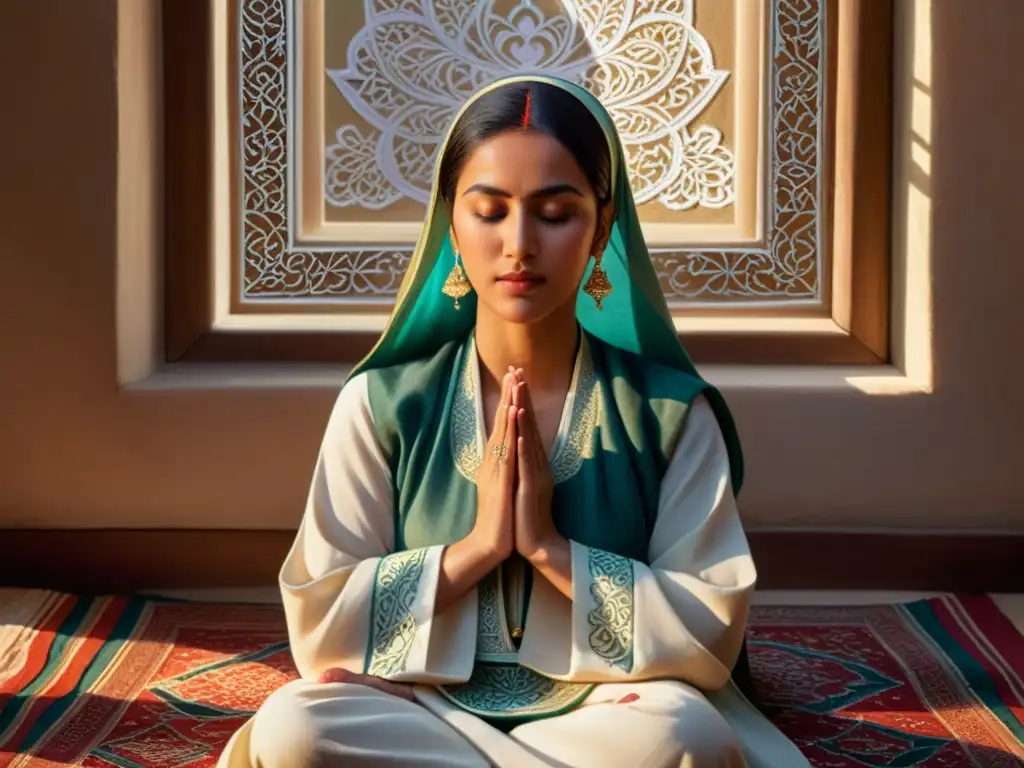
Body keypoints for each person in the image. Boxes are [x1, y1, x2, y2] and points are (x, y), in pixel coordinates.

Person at [217, 75, 809, 768]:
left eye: (555, 213)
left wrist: (549, 551)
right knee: (298, 730)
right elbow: (320, 626)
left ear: (602, 229)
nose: (519, 244)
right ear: (451, 222)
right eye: (490, 211)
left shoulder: (670, 415)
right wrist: (476, 549)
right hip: (419, 705)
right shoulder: (382, 405)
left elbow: (709, 633)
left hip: (604, 710)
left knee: (685, 738)